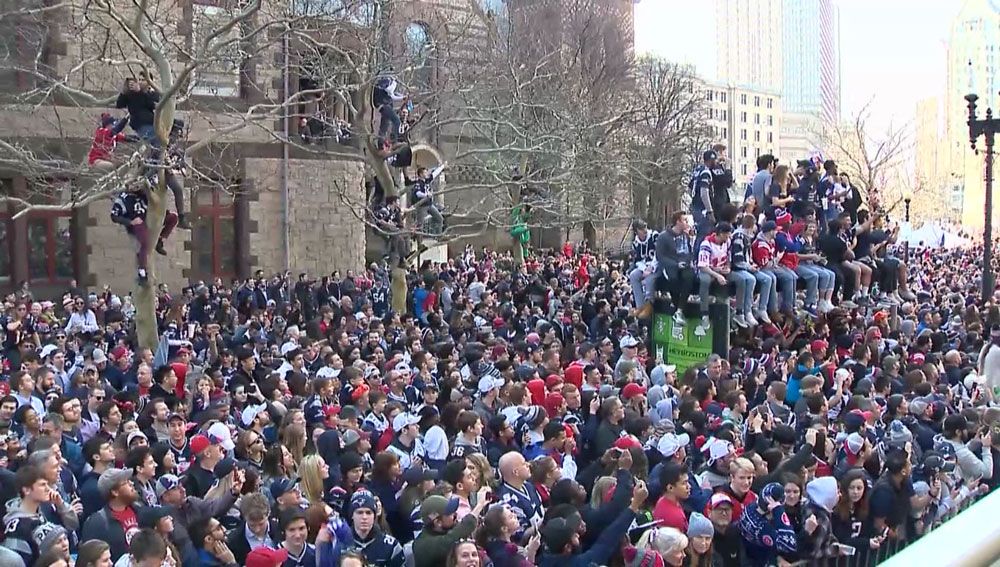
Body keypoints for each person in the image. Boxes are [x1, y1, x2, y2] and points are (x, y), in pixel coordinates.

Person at [110, 177, 178, 284]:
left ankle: (160, 240)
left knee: (173, 217)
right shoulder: (124, 198)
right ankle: (142, 271)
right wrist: (130, 222)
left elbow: (157, 205)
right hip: (138, 222)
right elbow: (114, 216)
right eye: (134, 184)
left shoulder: (146, 193)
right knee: (144, 243)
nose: (136, 187)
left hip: (151, 218)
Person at [79, 468, 140, 562]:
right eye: (126, 482)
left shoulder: (138, 511)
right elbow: (90, 557)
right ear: (115, 492)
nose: (131, 484)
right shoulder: (97, 522)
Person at [412, 493, 487, 567]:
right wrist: (480, 505)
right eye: (451, 514)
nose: (455, 515)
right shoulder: (424, 545)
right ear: (438, 522)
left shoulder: (444, 530)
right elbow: (454, 536)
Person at [628, 220, 659, 319]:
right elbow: (637, 261)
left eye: (645, 228)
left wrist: (651, 267)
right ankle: (640, 306)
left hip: (657, 265)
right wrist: (645, 268)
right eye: (641, 229)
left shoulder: (654, 236)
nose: (644, 230)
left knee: (649, 280)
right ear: (636, 231)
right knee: (633, 275)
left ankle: (649, 304)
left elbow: (659, 253)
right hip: (644, 266)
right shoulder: (635, 243)